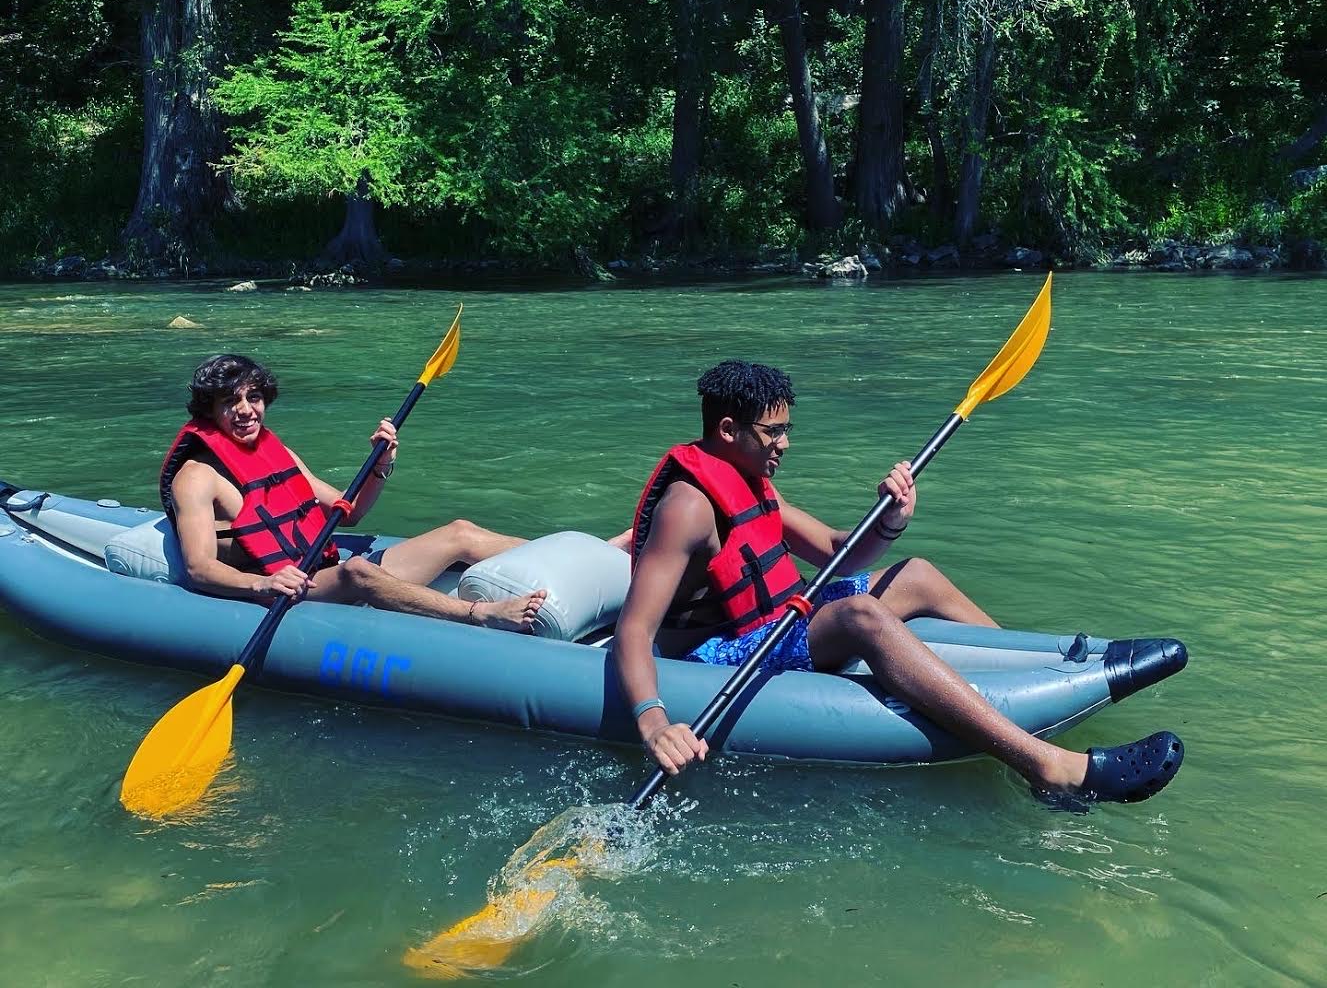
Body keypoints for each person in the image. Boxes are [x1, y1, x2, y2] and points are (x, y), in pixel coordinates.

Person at [614, 359, 1184, 806]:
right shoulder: (688, 507)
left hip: (771, 622)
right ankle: (1049, 769)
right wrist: (654, 719)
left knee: (916, 574)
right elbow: (634, 630)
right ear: (728, 428)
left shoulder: (750, 481)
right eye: (773, 432)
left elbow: (838, 551)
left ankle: (1026, 686)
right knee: (859, 615)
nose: (785, 444)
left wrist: (891, 519)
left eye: (788, 430)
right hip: (719, 658)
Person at [162, 353, 546, 630]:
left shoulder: (274, 453)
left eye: (254, 398)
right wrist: (264, 582)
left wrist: (381, 465)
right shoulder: (196, 476)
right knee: (358, 569)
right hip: (284, 588)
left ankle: (585, 551)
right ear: (209, 411)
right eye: (231, 401)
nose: (246, 410)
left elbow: (351, 511)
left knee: (460, 531)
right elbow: (199, 568)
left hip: (321, 569)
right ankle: (480, 614)